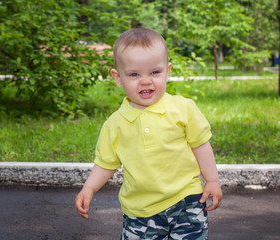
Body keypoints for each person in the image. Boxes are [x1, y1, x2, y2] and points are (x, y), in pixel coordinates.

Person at [75, 28, 222, 239]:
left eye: (155, 72)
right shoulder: (115, 124)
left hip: (187, 201)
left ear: (167, 71)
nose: (145, 81)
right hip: (140, 211)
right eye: (134, 74)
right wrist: (88, 188)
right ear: (118, 78)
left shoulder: (183, 108)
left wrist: (212, 180)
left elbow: (200, 145)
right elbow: (106, 163)